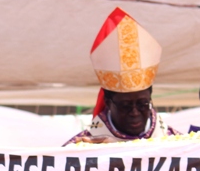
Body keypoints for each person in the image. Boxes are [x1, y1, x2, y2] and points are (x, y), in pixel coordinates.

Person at [64, 8, 177, 145]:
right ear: (108, 102)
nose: (135, 113)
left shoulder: (175, 142)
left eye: (142, 104)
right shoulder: (83, 148)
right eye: (125, 105)